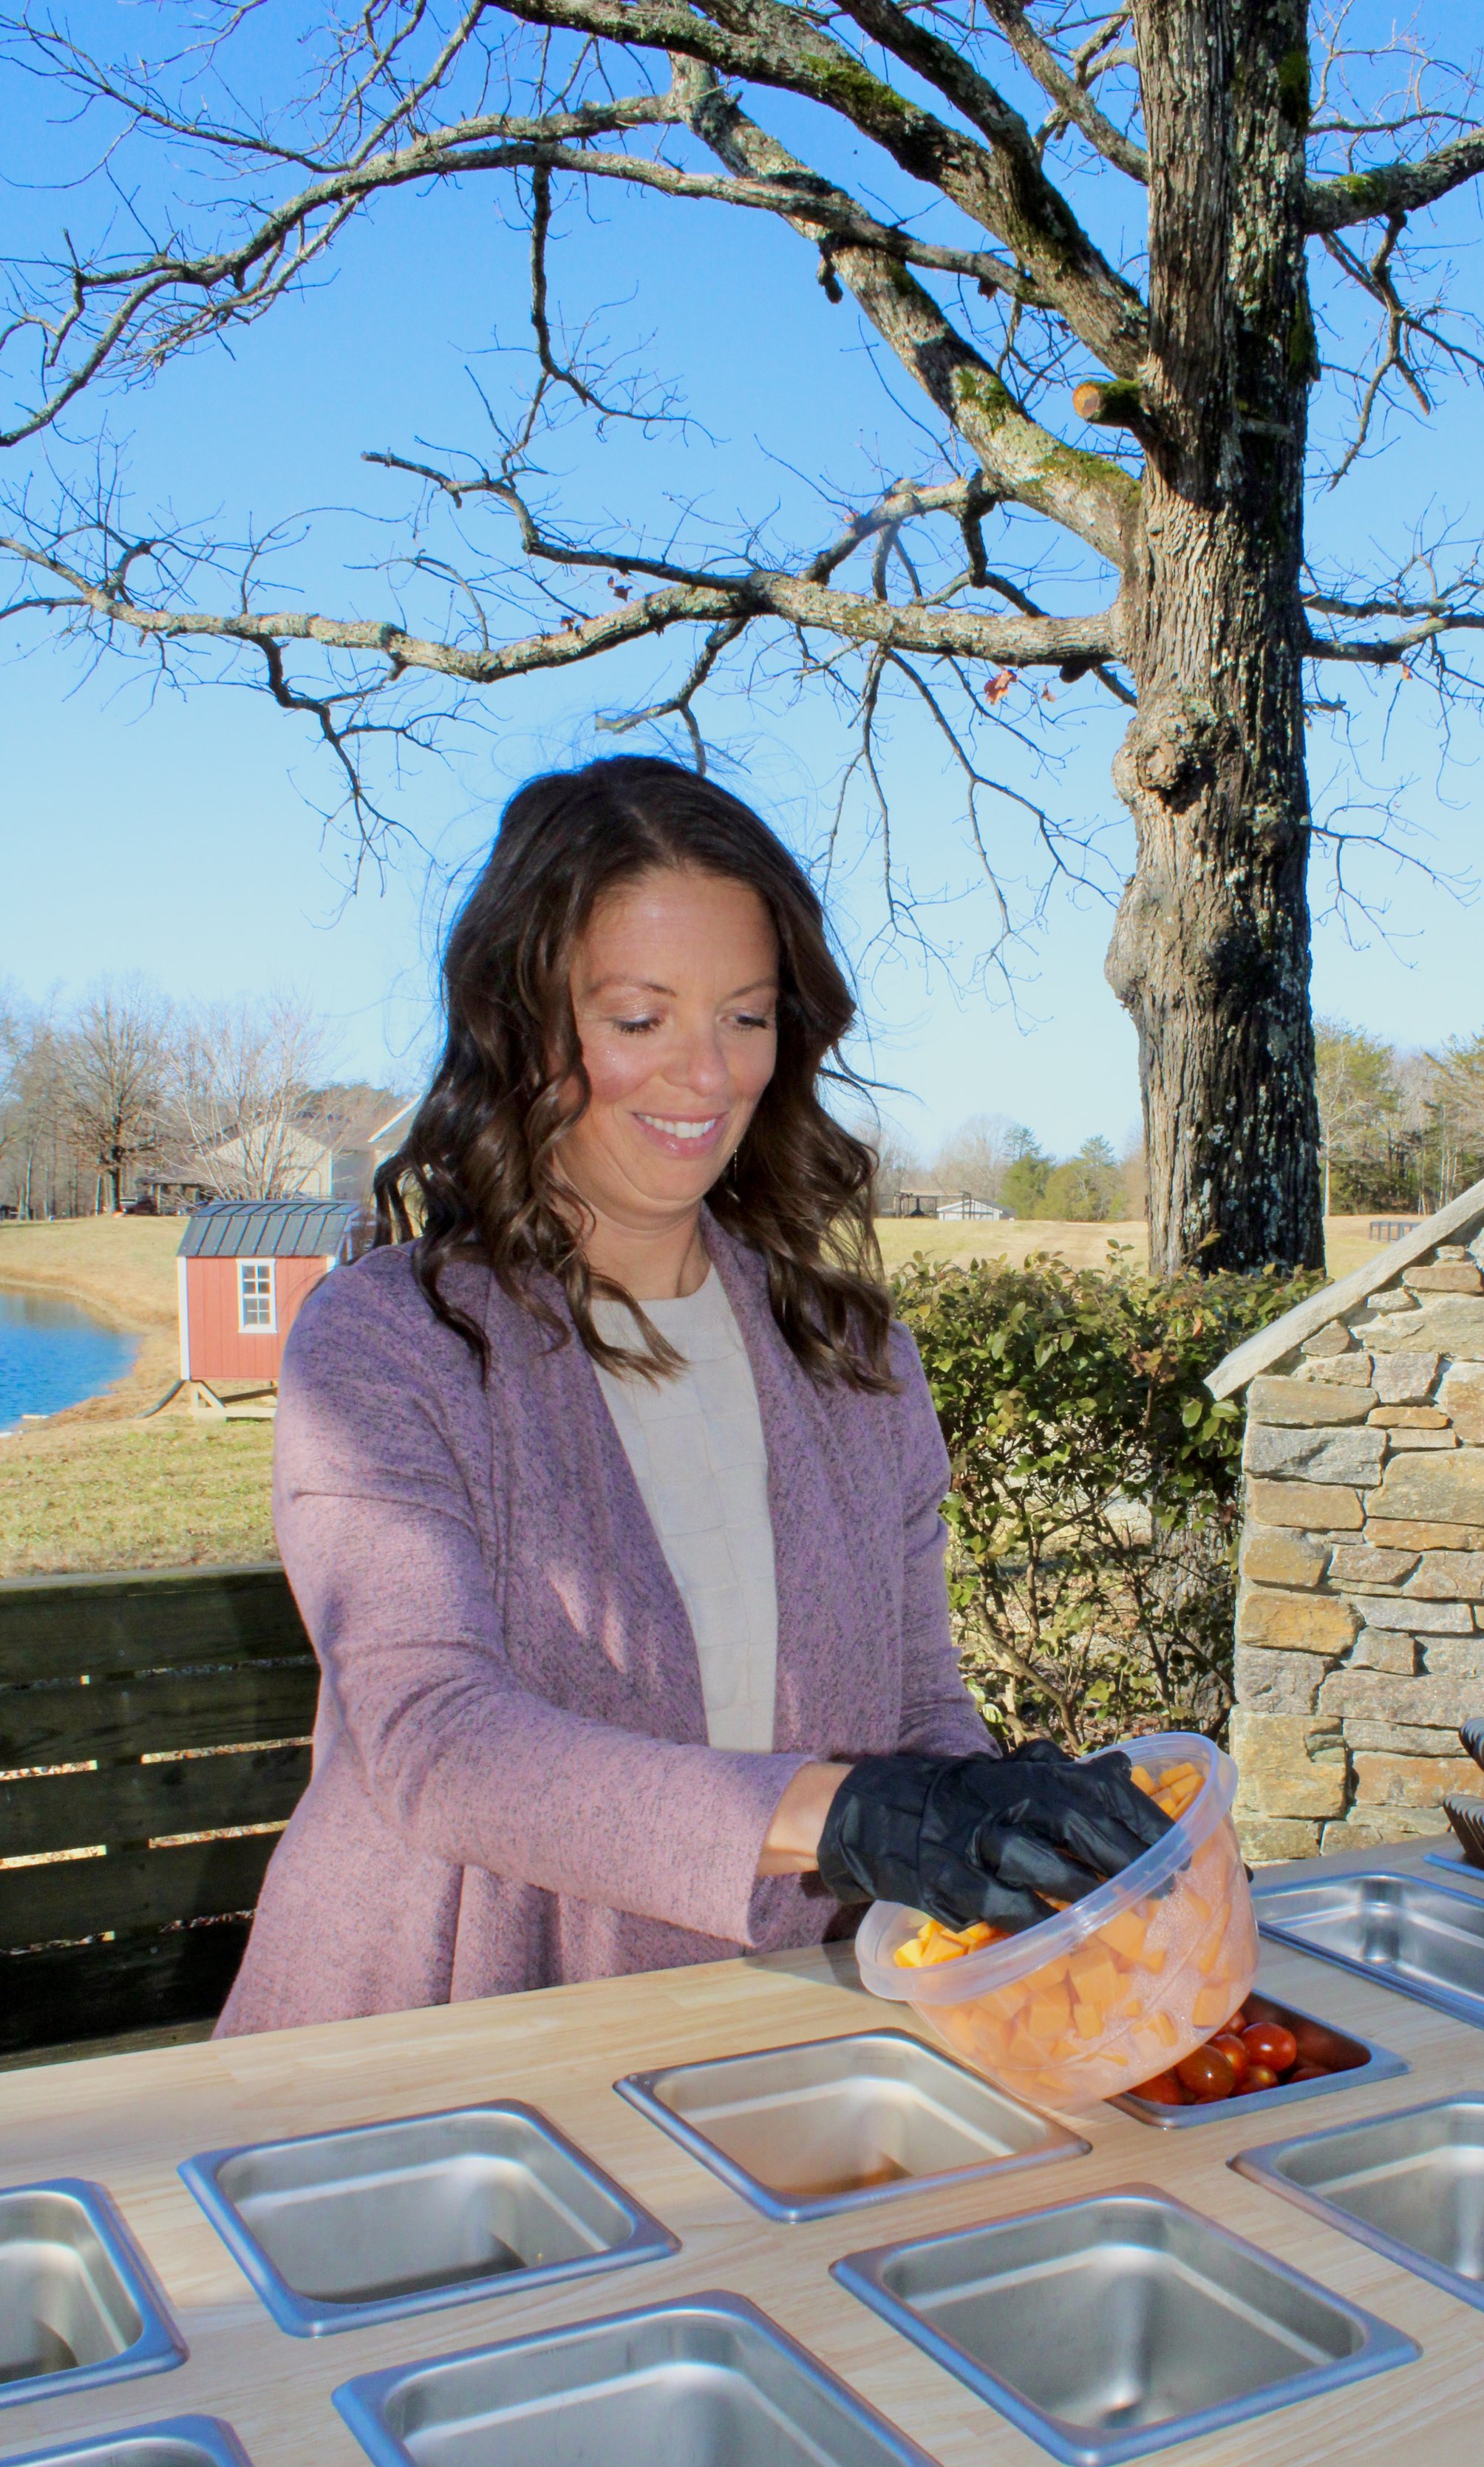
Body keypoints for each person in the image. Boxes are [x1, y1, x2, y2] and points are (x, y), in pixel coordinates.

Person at [217, 758, 1170, 2034]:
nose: (708, 1075)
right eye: (638, 1017)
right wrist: (850, 1815)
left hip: (768, 2034)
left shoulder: (853, 1356)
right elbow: (438, 1740)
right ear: (522, 1023)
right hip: (431, 2055)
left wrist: (1005, 1820)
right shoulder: (390, 1342)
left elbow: (919, 1710)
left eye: (746, 1016)